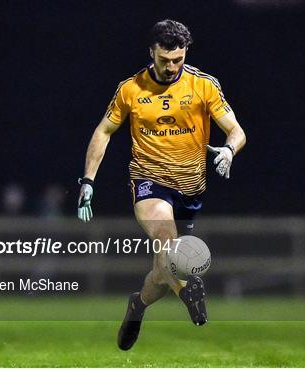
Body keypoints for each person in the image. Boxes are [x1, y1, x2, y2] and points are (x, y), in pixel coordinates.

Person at [77, 19, 246, 351]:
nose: (171, 67)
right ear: (151, 53)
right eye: (164, 60)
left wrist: (229, 149)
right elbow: (104, 131)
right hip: (149, 180)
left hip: (191, 188)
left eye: (178, 60)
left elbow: (237, 131)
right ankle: (190, 293)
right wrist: (88, 181)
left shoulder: (204, 86)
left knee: (161, 273)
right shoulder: (131, 90)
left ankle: (137, 306)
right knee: (166, 239)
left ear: (186, 54)